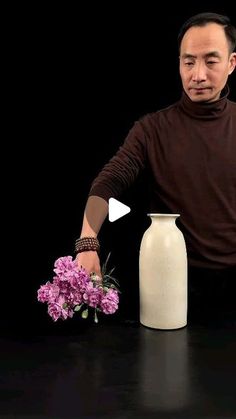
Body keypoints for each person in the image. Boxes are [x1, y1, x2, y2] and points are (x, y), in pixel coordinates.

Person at [76, 12, 236, 322]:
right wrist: (87, 242)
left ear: (231, 63)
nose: (198, 74)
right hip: (172, 290)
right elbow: (107, 184)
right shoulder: (152, 130)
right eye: (188, 62)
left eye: (211, 61)